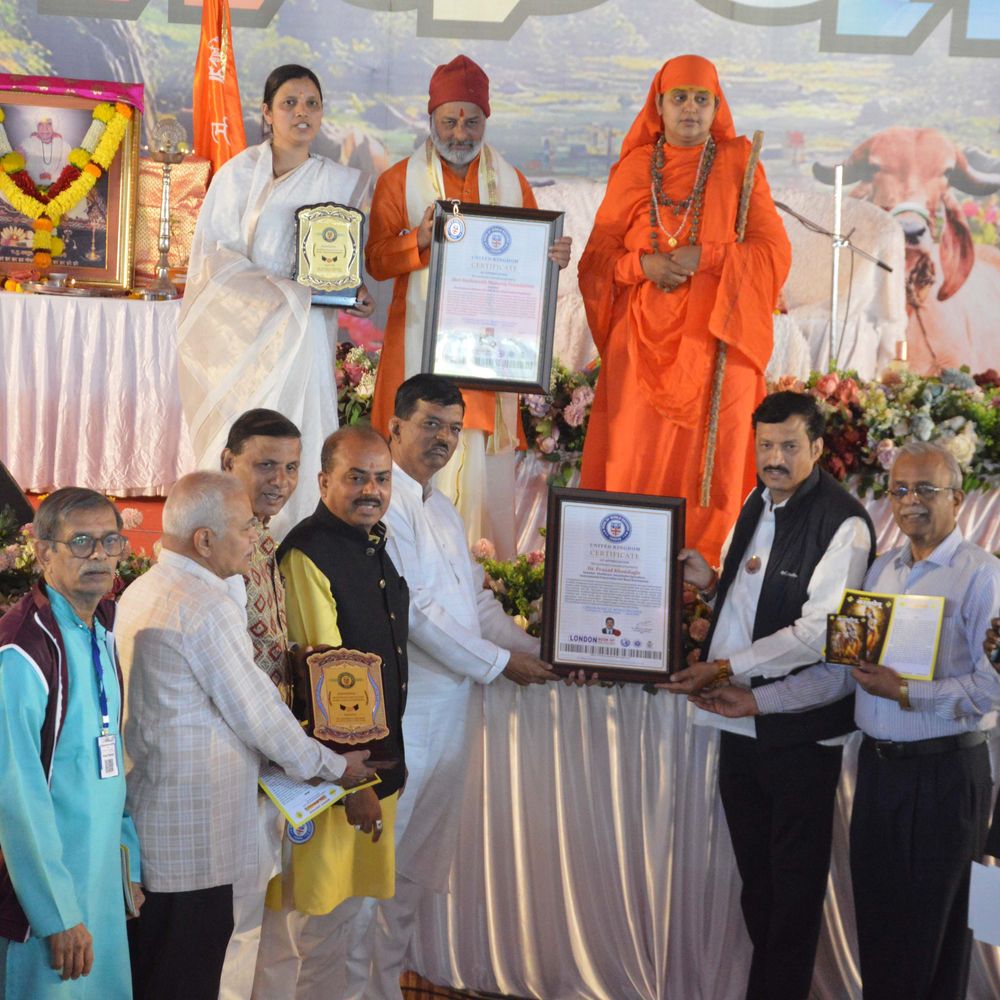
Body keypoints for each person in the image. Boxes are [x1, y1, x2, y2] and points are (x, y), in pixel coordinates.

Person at [695, 441, 1000, 1000]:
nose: (910, 500)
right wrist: (756, 702)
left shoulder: (983, 577)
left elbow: (992, 688)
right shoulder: (882, 572)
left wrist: (905, 691)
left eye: (926, 489)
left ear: (957, 499)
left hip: (946, 776)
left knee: (933, 938)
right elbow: (840, 675)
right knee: (880, 933)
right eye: (899, 489)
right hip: (879, 775)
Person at [116, 472, 373, 1000]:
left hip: (159, 826)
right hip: (195, 839)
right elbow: (257, 713)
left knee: (158, 972)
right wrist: (333, 767)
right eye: (244, 528)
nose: (254, 540)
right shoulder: (202, 605)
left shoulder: (146, 587)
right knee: (186, 978)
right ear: (204, 540)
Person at [661, 391, 874, 1000]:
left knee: (793, 892)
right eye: (765, 445)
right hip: (738, 722)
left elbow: (822, 633)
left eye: (788, 446)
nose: (774, 458)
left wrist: (725, 666)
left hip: (802, 731)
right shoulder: (757, 500)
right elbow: (747, 598)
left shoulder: (845, 524)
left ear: (818, 447)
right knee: (759, 885)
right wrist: (711, 585)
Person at [360, 373, 553, 999]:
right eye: (430, 425)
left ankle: (385, 989)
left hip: (452, 715)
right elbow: (414, 613)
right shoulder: (383, 503)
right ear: (394, 427)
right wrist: (501, 665)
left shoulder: (441, 507)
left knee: (413, 874)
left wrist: (542, 651)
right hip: (407, 716)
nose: (443, 439)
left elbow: (475, 604)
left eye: (452, 428)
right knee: (379, 875)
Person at [578, 54, 792, 565]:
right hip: (640, 349)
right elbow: (596, 260)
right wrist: (642, 265)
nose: (690, 109)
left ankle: (710, 586)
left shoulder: (740, 165)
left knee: (713, 476)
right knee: (635, 462)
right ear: (659, 105)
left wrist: (709, 257)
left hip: (718, 345)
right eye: (679, 98)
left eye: (701, 99)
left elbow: (774, 253)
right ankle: (629, 577)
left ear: (717, 107)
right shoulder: (635, 168)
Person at [365, 54, 571, 554]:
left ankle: (479, 578)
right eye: (450, 121)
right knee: (415, 459)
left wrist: (552, 258)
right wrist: (417, 240)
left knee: (478, 475)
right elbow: (375, 261)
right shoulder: (397, 181)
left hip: (485, 366)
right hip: (418, 355)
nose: (460, 133)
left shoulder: (512, 182)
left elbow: (528, 263)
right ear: (431, 118)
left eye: (471, 121)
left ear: (486, 120)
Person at [177, 64, 375, 532]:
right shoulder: (237, 176)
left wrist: (352, 291)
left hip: (306, 340)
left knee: (303, 438)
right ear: (267, 113)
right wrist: (291, 293)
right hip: (247, 345)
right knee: (247, 445)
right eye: (289, 103)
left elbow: (338, 262)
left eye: (311, 103)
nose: (301, 112)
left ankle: (298, 546)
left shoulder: (337, 181)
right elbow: (215, 263)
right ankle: (228, 539)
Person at [254, 426, 408, 999]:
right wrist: (356, 784)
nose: (371, 490)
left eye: (381, 479)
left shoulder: (370, 542)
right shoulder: (309, 551)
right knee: (310, 927)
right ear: (323, 482)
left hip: (373, 767)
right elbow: (328, 684)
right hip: (335, 781)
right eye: (356, 477)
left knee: (348, 924)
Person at [0, 489, 142, 997]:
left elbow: (110, 757)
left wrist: (127, 864)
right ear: (43, 552)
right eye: (81, 542)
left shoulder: (99, 626)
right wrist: (56, 913)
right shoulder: (22, 650)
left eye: (110, 541)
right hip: (45, 900)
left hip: (99, 882)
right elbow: (16, 796)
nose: (99, 555)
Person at [217, 408, 304, 1000]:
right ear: (229, 462)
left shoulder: (263, 535)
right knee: (234, 925)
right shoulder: (217, 545)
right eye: (266, 465)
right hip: (235, 760)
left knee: (257, 918)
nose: (280, 480)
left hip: (266, 759)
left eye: (291, 467)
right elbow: (234, 675)